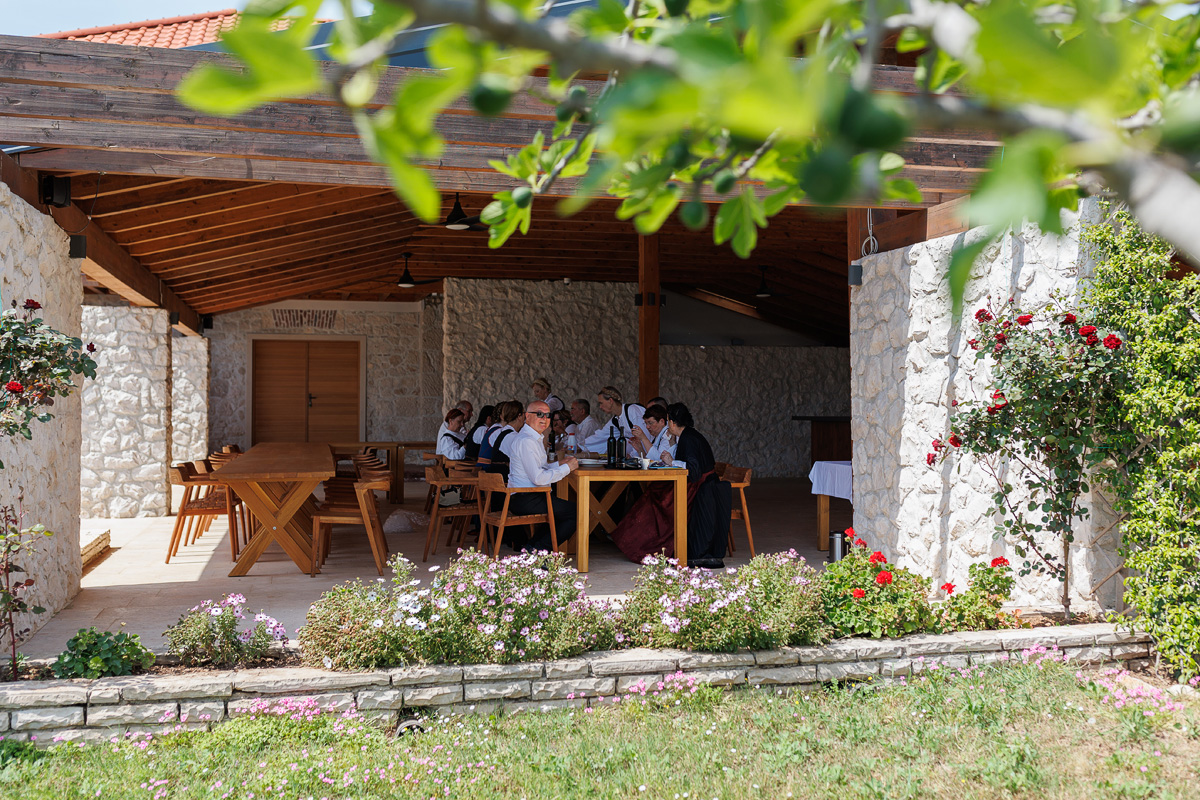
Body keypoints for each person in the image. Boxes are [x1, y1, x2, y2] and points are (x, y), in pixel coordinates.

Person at [610, 403, 731, 568]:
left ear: (673, 423)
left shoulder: (689, 439)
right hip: (693, 484)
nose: (668, 425)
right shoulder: (686, 436)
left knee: (656, 501)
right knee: (654, 493)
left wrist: (671, 461)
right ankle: (636, 543)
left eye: (668, 421)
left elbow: (693, 470)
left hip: (699, 487)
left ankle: (646, 546)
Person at [506, 400, 579, 551]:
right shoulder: (527, 441)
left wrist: (559, 464)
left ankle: (533, 548)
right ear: (527, 416)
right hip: (526, 498)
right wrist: (566, 468)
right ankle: (539, 550)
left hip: (527, 496)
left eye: (548, 415)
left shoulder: (533, 438)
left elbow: (539, 468)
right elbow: (538, 478)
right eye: (539, 414)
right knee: (577, 512)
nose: (544, 419)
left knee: (565, 511)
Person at [582, 386, 648, 457]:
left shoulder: (632, 410)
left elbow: (645, 435)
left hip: (647, 455)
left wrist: (633, 456)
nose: (600, 407)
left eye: (601, 403)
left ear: (610, 401)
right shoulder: (616, 420)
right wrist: (580, 445)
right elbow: (601, 436)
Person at [484, 400, 524, 477]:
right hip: (504, 483)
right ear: (519, 416)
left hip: (498, 479)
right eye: (524, 414)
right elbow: (523, 462)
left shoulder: (503, 432)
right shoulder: (513, 436)